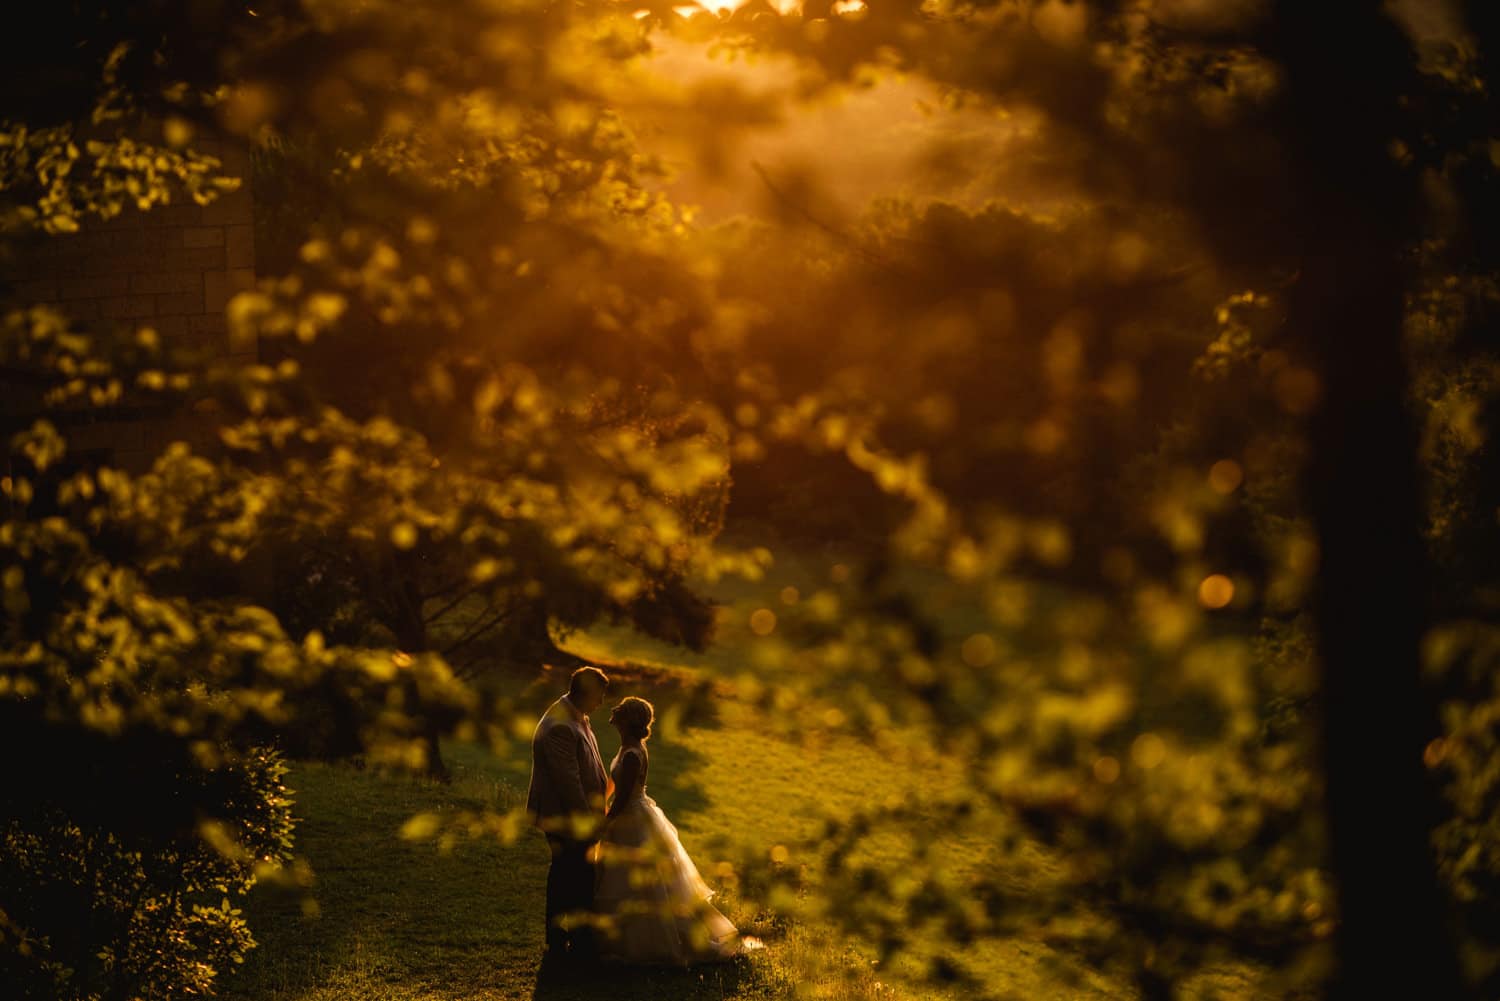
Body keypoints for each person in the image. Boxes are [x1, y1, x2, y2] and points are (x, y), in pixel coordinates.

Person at [593, 696, 741, 965]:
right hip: (634, 813)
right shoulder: (628, 747)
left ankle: (648, 943)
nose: (613, 709)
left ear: (628, 720)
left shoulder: (632, 755)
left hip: (632, 820)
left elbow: (624, 797)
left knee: (634, 879)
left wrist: (606, 822)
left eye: (621, 709)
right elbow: (616, 786)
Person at [526, 665, 610, 959]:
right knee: (569, 875)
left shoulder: (577, 716)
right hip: (566, 816)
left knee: (576, 874)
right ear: (585, 693)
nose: (601, 703)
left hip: (577, 813)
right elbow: (568, 781)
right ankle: (565, 939)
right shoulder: (562, 725)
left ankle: (575, 936)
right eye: (598, 696)